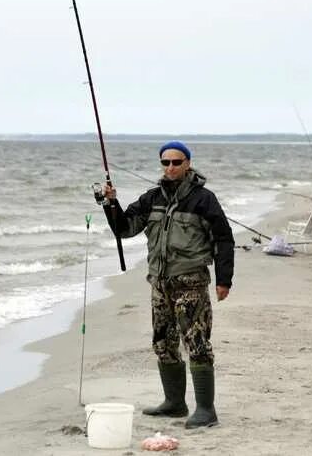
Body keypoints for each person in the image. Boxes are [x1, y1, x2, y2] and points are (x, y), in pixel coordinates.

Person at [101, 141, 234, 429]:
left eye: (176, 162)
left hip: (191, 281)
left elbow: (224, 239)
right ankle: (174, 403)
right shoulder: (151, 199)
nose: (170, 167)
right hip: (159, 283)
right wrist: (111, 203)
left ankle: (206, 410)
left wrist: (224, 280)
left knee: (197, 343)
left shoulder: (203, 199)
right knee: (163, 343)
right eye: (165, 162)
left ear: (188, 164)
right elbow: (124, 228)